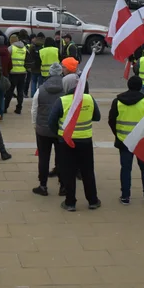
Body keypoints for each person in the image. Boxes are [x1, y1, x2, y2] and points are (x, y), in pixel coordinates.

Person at [49, 73, 101, 211]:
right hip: (85, 140)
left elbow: (51, 122)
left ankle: (70, 202)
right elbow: (97, 117)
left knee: (68, 172)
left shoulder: (62, 101)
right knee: (87, 171)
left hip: (66, 141)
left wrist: (59, 134)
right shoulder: (89, 98)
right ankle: (93, 200)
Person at [110, 75, 144, 205]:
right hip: (142, 141)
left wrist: (118, 133)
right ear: (141, 87)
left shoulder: (117, 101)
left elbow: (111, 120)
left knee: (125, 168)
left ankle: (125, 196)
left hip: (124, 140)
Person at [31, 62, 65, 196]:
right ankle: (63, 186)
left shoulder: (41, 89)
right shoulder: (65, 88)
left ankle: (43, 185)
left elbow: (34, 109)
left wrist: (35, 125)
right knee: (62, 157)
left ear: (49, 73)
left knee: (44, 158)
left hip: (43, 129)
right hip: (60, 129)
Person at [7, 34, 30, 114]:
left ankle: (5, 107)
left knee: (10, 91)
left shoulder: (11, 48)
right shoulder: (24, 48)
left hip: (13, 73)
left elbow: (7, 60)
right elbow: (28, 60)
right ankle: (19, 108)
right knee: (20, 91)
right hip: (23, 73)